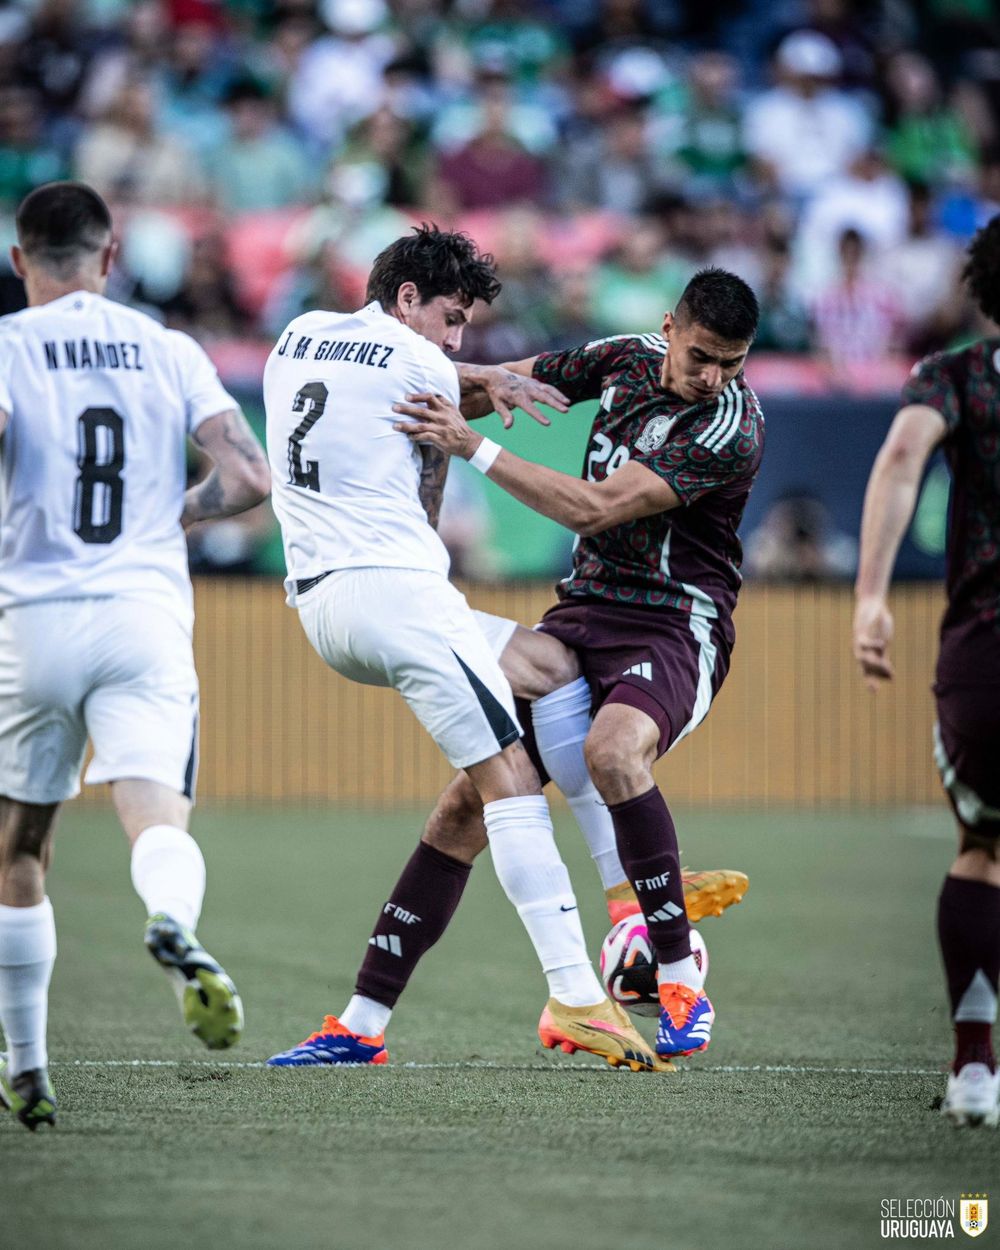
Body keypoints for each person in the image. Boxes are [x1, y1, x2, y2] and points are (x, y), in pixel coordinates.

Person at [263, 225, 668, 1073]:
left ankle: (363, 1021)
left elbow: (441, 392)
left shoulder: (297, 333)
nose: (456, 338)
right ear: (405, 298)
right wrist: (545, 372)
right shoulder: (416, 363)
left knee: (551, 671)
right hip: (397, 596)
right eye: (450, 316)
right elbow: (467, 399)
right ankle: (576, 995)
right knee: (508, 784)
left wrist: (471, 383)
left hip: (324, 605)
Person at [385, 266, 763, 1062]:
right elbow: (504, 383)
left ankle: (676, 974)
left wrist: (469, 444)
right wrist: (431, 389)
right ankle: (359, 1021)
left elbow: (595, 507)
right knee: (466, 803)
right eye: (701, 356)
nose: (714, 377)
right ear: (669, 327)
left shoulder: (730, 426)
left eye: (732, 362)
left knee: (613, 750)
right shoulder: (622, 359)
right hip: (583, 612)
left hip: (671, 625)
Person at [0, 182, 271, 1131]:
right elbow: (247, 477)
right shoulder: (170, 349)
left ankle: (27, 1066)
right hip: (143, 615)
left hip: (30, 620)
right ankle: (175, 925)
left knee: (21, 850)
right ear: (110, 258)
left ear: (20, 259)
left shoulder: (6, 346)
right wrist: (176, 512)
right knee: (157, 817)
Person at [853, 213, 1000, 1129]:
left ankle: (977, 1066)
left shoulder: (956, 379)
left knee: (982, 850)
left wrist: (872, 592)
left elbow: (902, 456)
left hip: (987, 644)